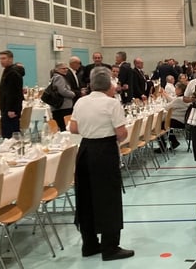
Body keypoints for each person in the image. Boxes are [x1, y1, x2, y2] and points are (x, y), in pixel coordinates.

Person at [69, 67, 133, 261]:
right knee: (108, 198)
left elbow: (73, 128)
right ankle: (110, 246)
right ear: (108, 85)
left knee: (86, 197)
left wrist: (90, 128)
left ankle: (89, 243)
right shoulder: (112, 104)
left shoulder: (81, 101)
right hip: (104, 151)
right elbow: (122, 133)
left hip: (85, 149)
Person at [0, 50, 23, 138]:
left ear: (11, 59)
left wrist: (11, 109)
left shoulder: (13, 73)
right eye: (0, 59)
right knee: (8, 134)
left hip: (10, 110)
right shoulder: (7, 71)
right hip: (5, 108)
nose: (1, 61)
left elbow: (14, 93)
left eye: (4, 58)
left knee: (10, 135)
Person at [50, 63, 76, 131]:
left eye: (66, 68)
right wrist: (73, 94)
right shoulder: (59, 77)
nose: (66, 70)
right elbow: (62, 91)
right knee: (63, 127)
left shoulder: (56, 77)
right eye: (63, 68)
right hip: (63, 107)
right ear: (57, 69)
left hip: (61, 107)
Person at [164, 83, 190, 150]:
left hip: (179, 121)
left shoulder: (179, 100)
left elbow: (167, 107)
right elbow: (173, 101)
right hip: (184, 120)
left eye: (176, 89)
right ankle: (173, 141)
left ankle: (164, 145)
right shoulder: (186, 98)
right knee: (165, 123)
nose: (175, 90)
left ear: (180, 90)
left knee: (160, 125)